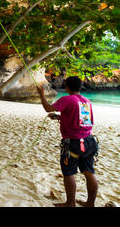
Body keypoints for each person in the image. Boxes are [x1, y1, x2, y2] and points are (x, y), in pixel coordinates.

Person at [36, 76, 98, 207]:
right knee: (89, 172)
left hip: (73, 143)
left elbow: (48, 107)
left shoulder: (67, 99)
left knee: (68, 172)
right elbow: (81, 120)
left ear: (67, 87)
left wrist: (41, 95)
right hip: (89, 142)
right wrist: (59, 117)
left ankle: (70, 203)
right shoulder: (86, 101)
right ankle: (90, 203)